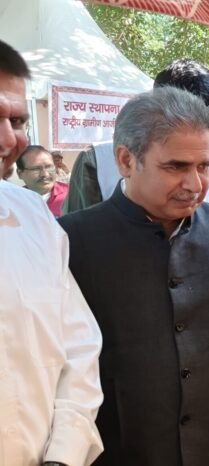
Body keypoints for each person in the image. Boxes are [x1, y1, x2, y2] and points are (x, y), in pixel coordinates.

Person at [58, 87, 209, 466]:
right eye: (175, 167)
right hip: (120, 447)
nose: (195, 184)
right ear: (125, 160)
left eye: (204, 166)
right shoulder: (69, 241)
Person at [0, 38, 104, 466]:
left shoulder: (33, 218)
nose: (8, 139)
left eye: (17, 120)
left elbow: (79, 347)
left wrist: (64, 454)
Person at [63, 59, 209, 232]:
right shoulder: (96, 161)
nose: (205, 138)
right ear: (125, 161)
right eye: (175, 166)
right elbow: (76, 242)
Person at [15, 145, 69, 216]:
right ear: (20, 173)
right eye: (36, 169)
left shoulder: (71, 195)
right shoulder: (11, 200)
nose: (45, 174)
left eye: (49, 167)